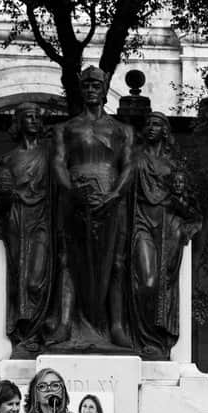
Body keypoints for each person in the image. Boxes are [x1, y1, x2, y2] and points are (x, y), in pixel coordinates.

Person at [51, 66, 135, 350]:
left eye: (96, 85)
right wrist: (72, 192)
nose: (90, 89)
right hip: (75, 198)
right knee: (68, 260)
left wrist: (113, 196)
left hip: (111, 199)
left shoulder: (122, 130)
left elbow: (129, 166)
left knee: (117, 262)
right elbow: (59, 163)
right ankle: (65, 324)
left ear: (105, 87)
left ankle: (116, 326)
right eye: (86, 85)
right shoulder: (65, 128)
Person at [128, 111, 199, 358]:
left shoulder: (173, 166)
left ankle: (155, 341)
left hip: (167, 227)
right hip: (141, 223)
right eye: (148, 123)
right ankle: (141, 337)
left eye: (156, 124)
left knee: (162, 283)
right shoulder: (134, 158)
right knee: (147, 282)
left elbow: (188, 203)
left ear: (165, 131)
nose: (151, 127)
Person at [0, 102, 55, 356]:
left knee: (37, 278)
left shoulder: (50, 154)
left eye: (37, 116)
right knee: (20, 275)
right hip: (17, 220)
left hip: (43, 220)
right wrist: (5, 193)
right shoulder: (8, 160)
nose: (34, 120)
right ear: (19, 122)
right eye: (29, 116)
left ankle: (41, 329)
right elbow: (0, 197)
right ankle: (25, 334)